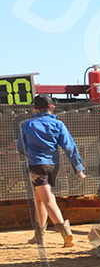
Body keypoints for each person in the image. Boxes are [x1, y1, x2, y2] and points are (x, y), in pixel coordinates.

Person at [17, 94, 86, 247]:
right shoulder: (59, 124)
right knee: (39, 198)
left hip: (36, 166)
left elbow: (21, 148)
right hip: (53, 166)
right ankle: (39, 236)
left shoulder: (27, 124)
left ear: (34, 109)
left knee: (47, 199)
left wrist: (32, 154)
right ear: (52, 107)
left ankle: (65, 231)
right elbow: (70, 148)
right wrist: (79, 168)